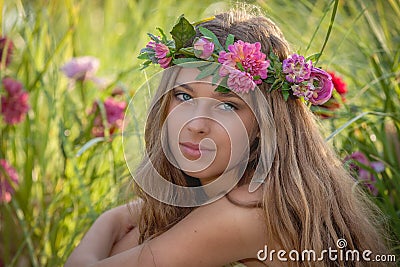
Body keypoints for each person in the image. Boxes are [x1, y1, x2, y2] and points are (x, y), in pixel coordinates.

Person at [65, 5, 394, 267]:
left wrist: (111, 218)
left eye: (228, 106)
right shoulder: (268, 191)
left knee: (129, 235)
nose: (196, 124)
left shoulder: (246, 211)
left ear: (266, 125)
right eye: (183, 96)